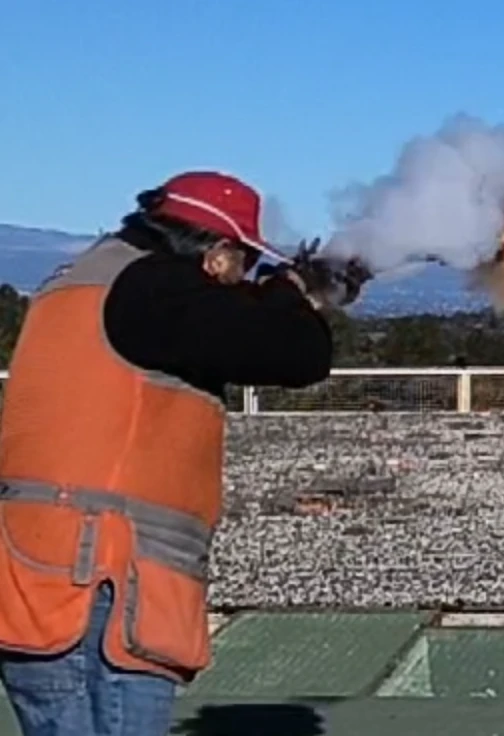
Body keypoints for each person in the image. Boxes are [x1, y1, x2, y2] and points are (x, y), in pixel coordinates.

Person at [0, 171, 336, 735]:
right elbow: (300, 353)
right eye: (245, 265)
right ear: (218, 256)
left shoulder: (84, 282)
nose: (244, 278)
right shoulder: (153, 290)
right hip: (103, 587)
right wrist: (289, 292)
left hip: (40, 581)